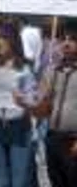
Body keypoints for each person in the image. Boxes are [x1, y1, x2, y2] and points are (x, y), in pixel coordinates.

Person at [0, 23, 36, 187]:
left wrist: (23, 99)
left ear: (13, 41)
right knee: (0, 182)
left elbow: (34, 100)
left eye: (3, 37)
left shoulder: (25, 68)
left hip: (18, 128)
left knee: (19, 182)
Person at [22, 19, 77, 186]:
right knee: (56, 181)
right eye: (63, 39)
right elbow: (42, 111)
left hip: (73, 140)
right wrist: (29, 103)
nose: (67, 43)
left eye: (73, 39)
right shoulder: (51, 71)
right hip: (52, 137)